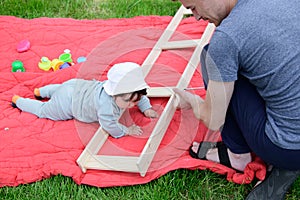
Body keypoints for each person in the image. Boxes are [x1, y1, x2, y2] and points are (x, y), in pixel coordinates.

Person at [173, 0, 300, 199]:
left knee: (211, 57)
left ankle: (238, 156)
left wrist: (192, 101)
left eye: (192, 8)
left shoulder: (227, 38)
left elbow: (213, 119)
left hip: (289, 149)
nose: (196, 17)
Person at [12, 62, 158, 138]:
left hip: (76, 85)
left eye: (135, 100)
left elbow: (140, 95)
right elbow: (110, 126)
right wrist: (127, 130)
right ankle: (19, 101)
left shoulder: (130, 93)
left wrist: (146, 108)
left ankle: (41, 91)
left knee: (60, 88)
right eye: (128, 101)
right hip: (68, 103)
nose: (133, 105)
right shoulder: (106, 107)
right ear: (114, 94)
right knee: (44, 110)